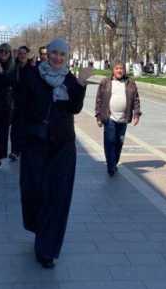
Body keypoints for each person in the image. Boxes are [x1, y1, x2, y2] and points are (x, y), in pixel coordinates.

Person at [18, 38, 92, 268]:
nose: (58, 58)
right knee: (33, 192)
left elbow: (75, 108)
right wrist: (19, 140)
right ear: (47, 54)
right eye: (54, 53)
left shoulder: (69, 79)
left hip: (63, 145)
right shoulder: (32, 75)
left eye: (62, 54)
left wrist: (81, 83)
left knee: (58, 197)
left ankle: (47, 249)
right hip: (35, 143)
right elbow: (20, 107)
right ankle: (38, 227)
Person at [94, 61, 141, 177]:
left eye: (121, 68)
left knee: (119, 142)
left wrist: (136, 114)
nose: (119, 71)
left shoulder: (130, 83)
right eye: (117, 68)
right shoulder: (106, 82)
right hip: (109, 117)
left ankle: (114, 162)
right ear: (113, 70)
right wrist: (98, 116)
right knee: (110, 141)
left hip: (123, 118)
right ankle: (111, 166)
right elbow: (99, 99)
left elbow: (136, 99)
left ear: (124, 70)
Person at [9, 45, 32, 161]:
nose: (22, 55)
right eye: (20, 53)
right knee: (15, 129)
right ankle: (15, 151)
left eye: (24, 53)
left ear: (27, 55)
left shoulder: (32, 68)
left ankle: (24, 150)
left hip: (29, 104)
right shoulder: (14, 67)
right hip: (16, 103)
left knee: (26, 129)